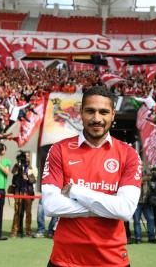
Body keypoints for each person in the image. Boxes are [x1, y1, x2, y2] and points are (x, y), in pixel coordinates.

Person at [42, 86, 141, 267]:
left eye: (103, 112)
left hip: (112, 260)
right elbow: (50, 205)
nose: (97, 118)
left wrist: (77, 192)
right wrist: (109, 206)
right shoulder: (59, 150)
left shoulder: (129, 154)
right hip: (65, 260)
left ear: (113, 114)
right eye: (90, 111)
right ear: (80, 112)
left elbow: (125, 210)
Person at [10, 151, 38, 237]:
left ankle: (28, 231)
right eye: (24, 156)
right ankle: (15, 230)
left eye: (28, 156)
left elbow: (34, 180)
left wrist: (28, 177)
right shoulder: (18, 166)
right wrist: (17, 164)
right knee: (17, 211)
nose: (26, 158)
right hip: (19, 191)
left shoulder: (32, 167)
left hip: (28, 192)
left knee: (28, 212)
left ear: (30, 157)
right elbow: (13, 172)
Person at [132, 167, 156, 244]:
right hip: (137, 202)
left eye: (150, 175)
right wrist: (143, 179)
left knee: (151, 219)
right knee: (136, 221)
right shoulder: (137, 177)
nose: (149, 176)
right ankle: (138, 238)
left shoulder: (150, 181)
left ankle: (151, 237)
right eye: (148, 175)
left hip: (147, 202)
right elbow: (135, 183)